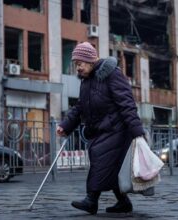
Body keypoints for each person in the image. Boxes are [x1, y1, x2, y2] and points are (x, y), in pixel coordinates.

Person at [56, 42, 145, 214]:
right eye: (76, 64)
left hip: (117, 130)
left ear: (90, 60)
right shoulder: (87, 81)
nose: (78, 68)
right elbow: (80, 107)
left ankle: (91, 200)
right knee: (111, 169)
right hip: (100, 130)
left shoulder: (112, 75)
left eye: (80, 63)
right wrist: (65, 126)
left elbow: (127, 104)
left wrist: (137, 132)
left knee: (100, 160)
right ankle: (123, 203)